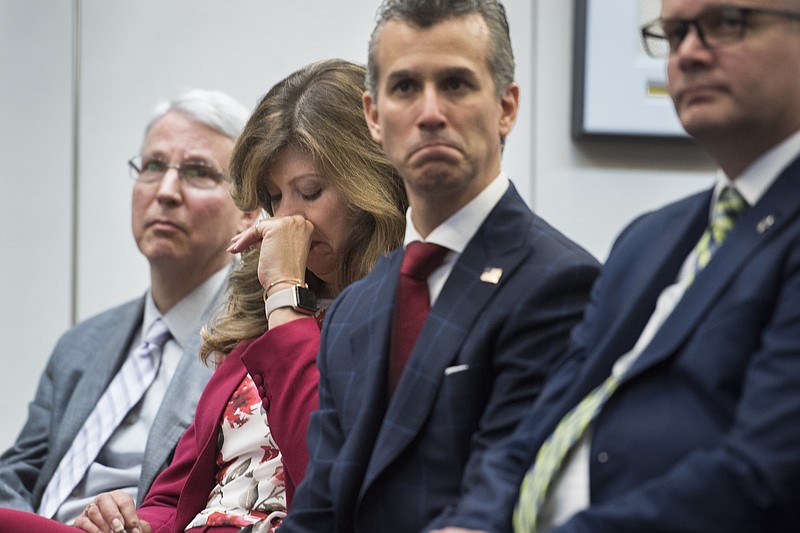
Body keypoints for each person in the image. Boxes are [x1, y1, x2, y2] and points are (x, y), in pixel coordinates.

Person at [431, 1, 800, 532]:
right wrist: (471, 523)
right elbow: (538, 427)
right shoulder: (649, 239)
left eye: (726, 24)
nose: (690, 53)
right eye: (674, 34)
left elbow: (764, 475)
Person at [27, 59, 404, 533]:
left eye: (309, 192)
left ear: (368, 190)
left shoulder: (401, 314)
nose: (283, 222)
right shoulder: (254, 327)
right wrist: (135, 523)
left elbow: (327, 487)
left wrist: (286, 294)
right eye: (271, 199)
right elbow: (172, 496)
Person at [280, 2, 600, 532]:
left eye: (455, 84)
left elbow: (500, 494)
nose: (430, 112)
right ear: (374, 117)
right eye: (405, 87)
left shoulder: (560, 283)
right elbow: (318, 508)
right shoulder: (353, 309)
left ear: (506, 107)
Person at [0, 89, 257, 524]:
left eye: (198, 172)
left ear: (247, 212)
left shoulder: (256, 340)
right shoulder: (82, 343)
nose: (166, 191)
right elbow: (15, 475)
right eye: (153, 166)